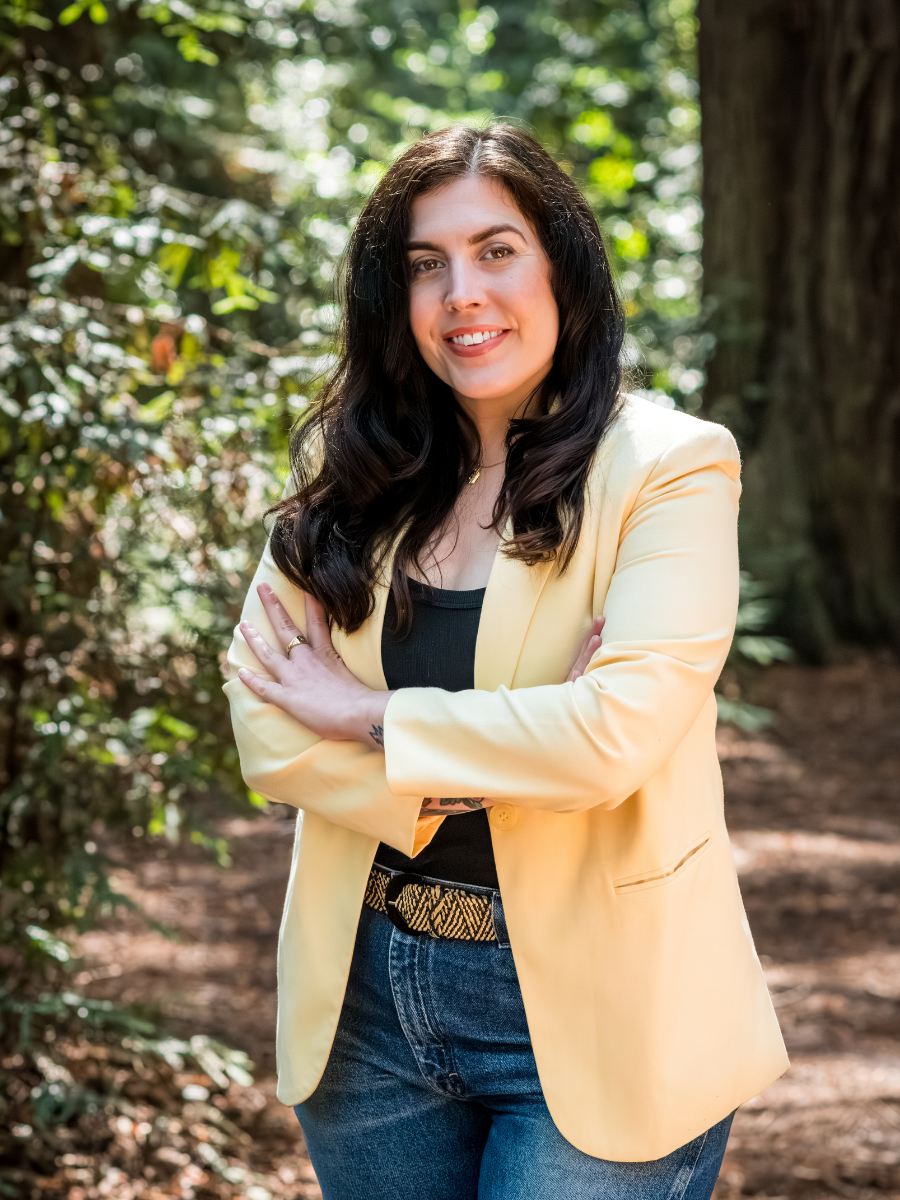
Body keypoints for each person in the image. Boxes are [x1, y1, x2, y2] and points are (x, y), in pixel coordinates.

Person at [224, 123, 787, 1200]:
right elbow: (266, 726)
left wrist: (366, 716)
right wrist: (520, 747)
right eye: (425, 264)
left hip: (606, 1004)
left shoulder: (668, 468)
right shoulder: (355, 476)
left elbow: (612, 737)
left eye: (496, 250)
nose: (462, 294)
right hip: (367, 1006)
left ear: (561, 266)